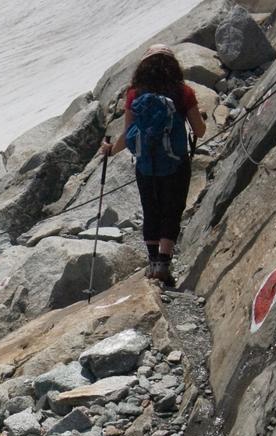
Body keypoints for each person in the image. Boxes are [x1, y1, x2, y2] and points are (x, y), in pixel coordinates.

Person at [100, 44, 206, 287]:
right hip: (176, 162)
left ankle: (152, 262)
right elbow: (199, 129)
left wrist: (109, 150)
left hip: (146, 164)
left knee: (151, 209)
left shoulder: (135, 94)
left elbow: (127, 136)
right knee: (173, 208)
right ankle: (164, 264)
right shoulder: (183, 93)